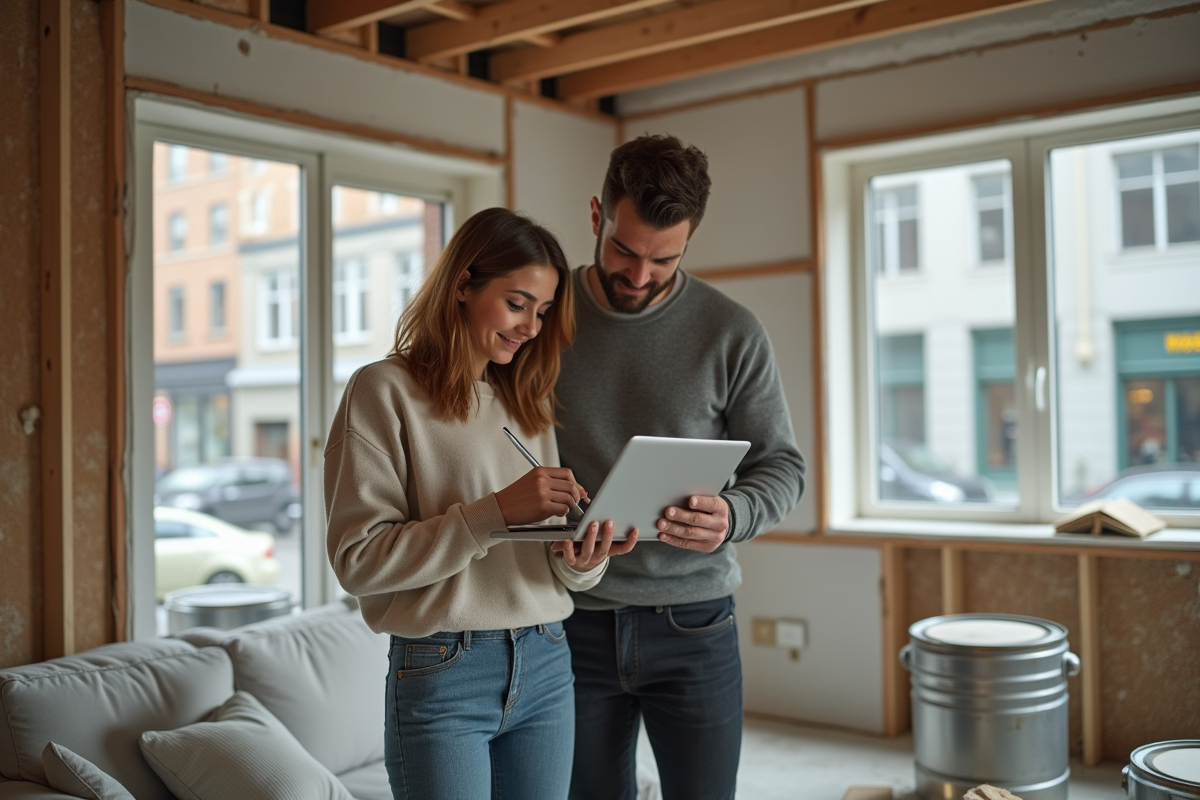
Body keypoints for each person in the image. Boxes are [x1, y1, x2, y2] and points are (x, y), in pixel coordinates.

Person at [324, 207, 637, 800]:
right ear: (463, 284)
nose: (530, 327)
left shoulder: (526, 405)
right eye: (517, 304)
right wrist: (495, 512)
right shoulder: (382, 392)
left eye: (542, 313)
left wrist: (585, 555)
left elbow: (551, 568)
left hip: (547, 657)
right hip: (443, 667)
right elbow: (357, 561)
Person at [556, 135, 807, 800]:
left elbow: (782, 466)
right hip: (570, 617)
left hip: (695, 623)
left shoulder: (732, 331)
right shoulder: (542, 323)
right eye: (623, 251)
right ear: (595, 216)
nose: (639, 276)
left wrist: (734, 514)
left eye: (663, 260)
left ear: (689, 241)